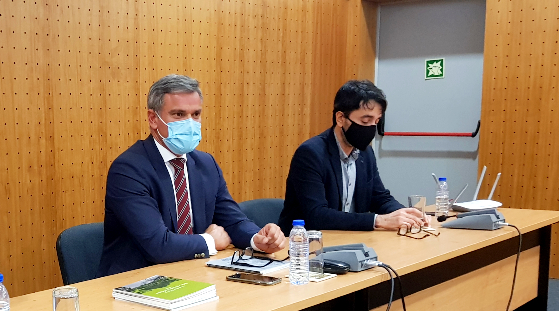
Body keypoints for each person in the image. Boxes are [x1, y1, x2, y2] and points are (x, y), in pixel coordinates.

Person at [98, 74, 285, 277]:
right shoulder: (128, 169)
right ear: (153, 119)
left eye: (195, 114)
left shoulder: (206, 164)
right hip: (136, 280)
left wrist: (257, 239)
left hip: (192, 272)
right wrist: (209, 241)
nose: (189, 123)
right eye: (178, 114)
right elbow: (157, 245)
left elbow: (233, 221)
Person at [278, 80, 426, 234]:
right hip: (306, 242)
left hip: (351, 238)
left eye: (376, 121)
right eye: (365, 121)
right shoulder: (311, 154)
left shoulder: (366, 153)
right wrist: (378, 220)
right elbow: (317, 215)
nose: (371, 128)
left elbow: (379, 197)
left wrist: (406, 215)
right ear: (340, 118)